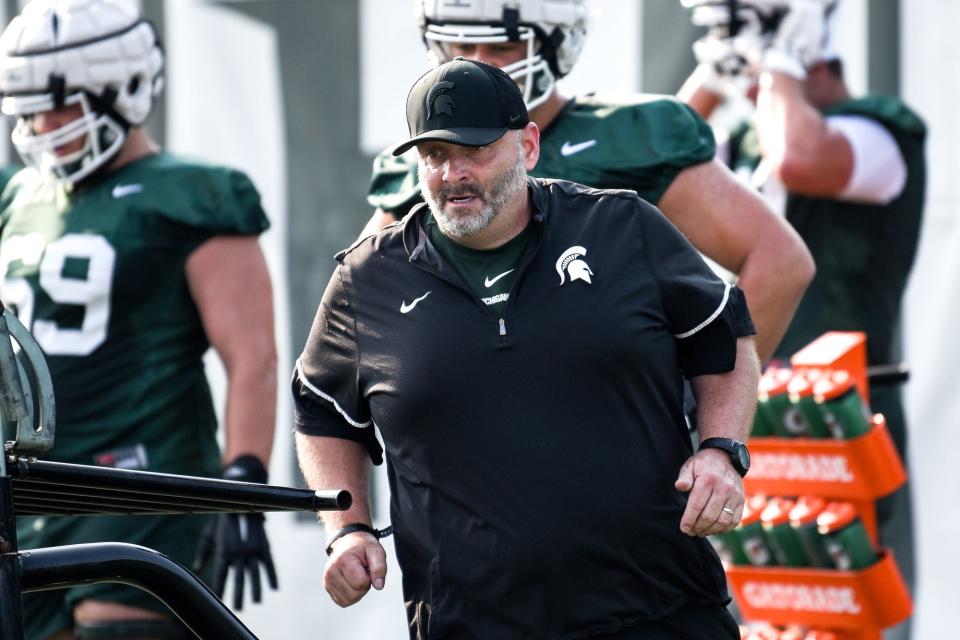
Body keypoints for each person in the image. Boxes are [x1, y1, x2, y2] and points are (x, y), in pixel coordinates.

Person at [295, 57, 761, 639]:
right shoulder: (367, 279)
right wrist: (348, 529)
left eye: (476, 151)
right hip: (473, 626)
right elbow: (323, 412)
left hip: (659, 614)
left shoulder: (621, 227)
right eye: (435, 156)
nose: (452, 174)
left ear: (529, 145)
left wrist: (721, 450)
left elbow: (725, 335)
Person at [0, 1, 279, 638]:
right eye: (28, 106)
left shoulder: (191, 194)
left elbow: (252, 358)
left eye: (58, 103)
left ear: (121, 87)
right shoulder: (17, 195)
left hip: (140, 482)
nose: (41, 124)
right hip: (28, 486)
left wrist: (243, 481)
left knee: (119, 629)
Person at [363, 0, 814, 363]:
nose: (480, 66)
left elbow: (779, 262)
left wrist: (706, 409)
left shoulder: (627, 136)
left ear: (556, 45)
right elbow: (359, 302)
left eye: (502, 48)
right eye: (462, 45)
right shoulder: (425, 162)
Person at [678, 1, 925, 636]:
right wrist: (711, 75)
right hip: (752, 418)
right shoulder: (751, 134)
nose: (754, 84)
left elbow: (797, 158)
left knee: (845, 612)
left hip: (842, 426)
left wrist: (784, 56)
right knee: (755, 615)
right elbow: (650, 169)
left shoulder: (880, 129)